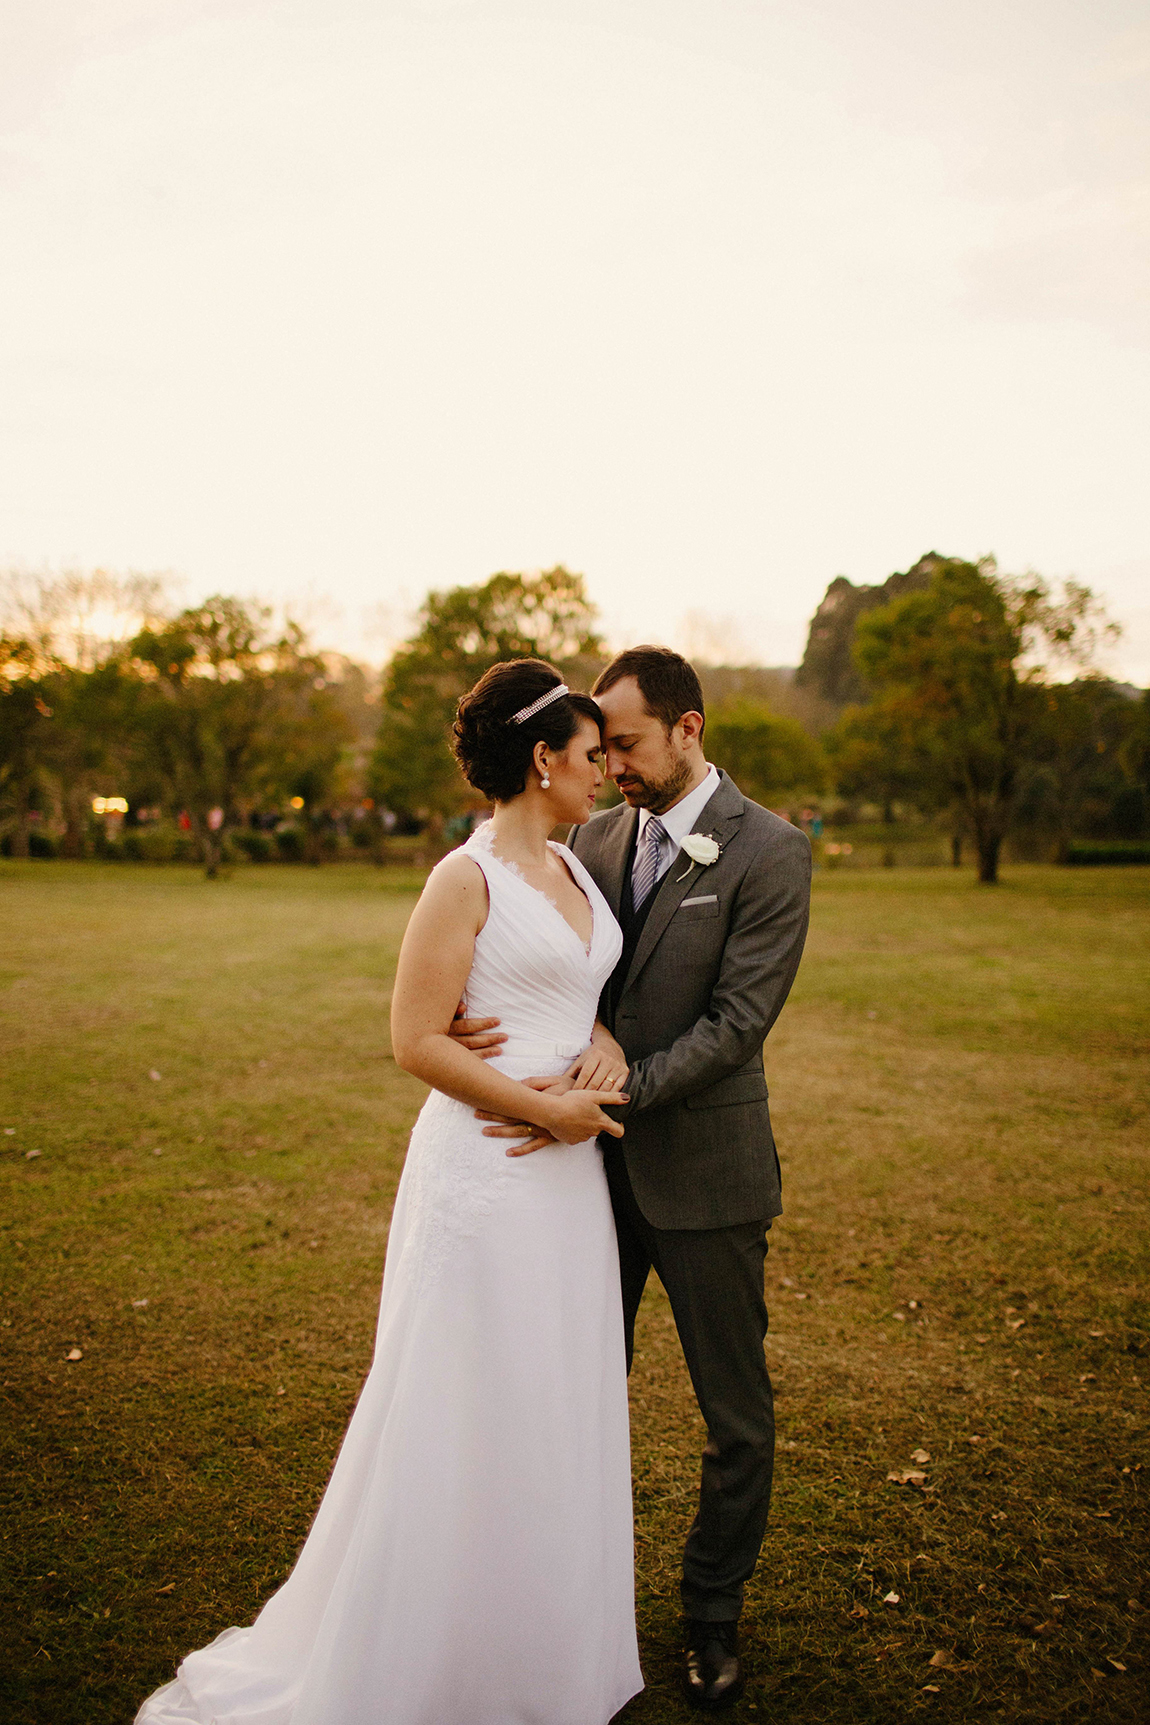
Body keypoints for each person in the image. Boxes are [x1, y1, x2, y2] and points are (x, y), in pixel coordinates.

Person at [135, 660, 643, 1725]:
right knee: (465, 1397)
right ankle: (424, 1647)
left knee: (553, 1392)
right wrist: (539, 1107)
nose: (607, 772)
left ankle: (542, 1648)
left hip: (567, 1191)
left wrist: (594, 1043)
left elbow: (576, 984)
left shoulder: (578, 868)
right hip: (490, 1173)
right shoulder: (464, 878)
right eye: (593, 756)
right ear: (544, 760)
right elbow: (412, 1038)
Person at [454, 646, 811, 1709]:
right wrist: (495, 1026)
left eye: (627, 743)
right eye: (597, 745)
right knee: (566, 1392)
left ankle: (711, 1615)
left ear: (688, 730)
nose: (607, 764)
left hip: (703, 1177)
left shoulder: (771, 851)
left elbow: (738, 1023)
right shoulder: (591, 839)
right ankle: (555, 1596)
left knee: (734, 1416)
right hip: (584, 1187)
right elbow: (561, 968)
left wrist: (612, 1093)